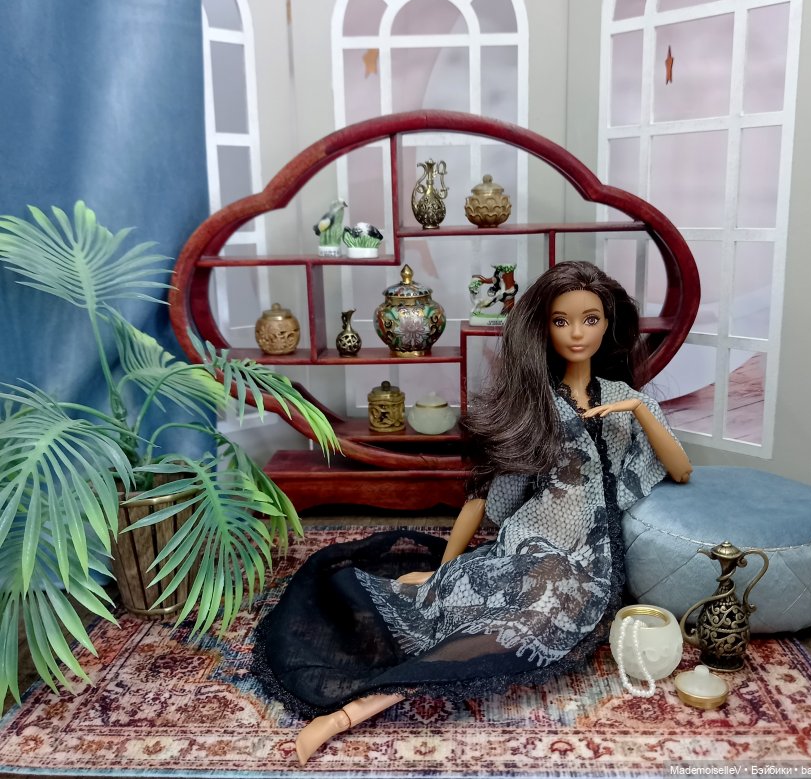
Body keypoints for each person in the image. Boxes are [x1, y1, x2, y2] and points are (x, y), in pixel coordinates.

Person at [252, 260, 692, 765]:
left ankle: (353, 711)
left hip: (586, 561)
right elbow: (482, 497)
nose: (577, 333)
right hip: (529, 543)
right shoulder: (536, 403)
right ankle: (359, 699)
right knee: (442, 606)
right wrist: (445, 568)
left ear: (608, 324)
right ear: (543, 329)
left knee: (531, 623)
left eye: (590, 320)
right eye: (561, 321)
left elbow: (680, 470)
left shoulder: (626, 401)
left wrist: (638, 410)